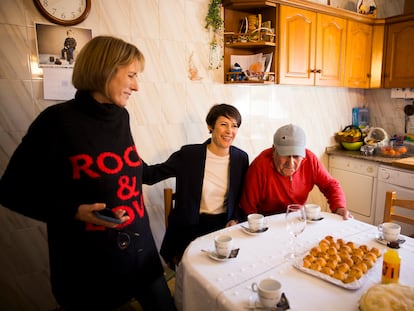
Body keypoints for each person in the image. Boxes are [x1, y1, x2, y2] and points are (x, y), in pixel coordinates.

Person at [0, 36, 175, 311]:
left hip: (140, 252)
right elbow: (11, 191)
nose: (136, 86)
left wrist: (180, 162)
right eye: (130, 75)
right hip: (89, 265)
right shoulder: (56, 122)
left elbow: (127, 168)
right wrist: (74, 211)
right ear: (105, 69)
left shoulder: (120, 116)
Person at [143, 104, 249, 268]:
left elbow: (241, 196)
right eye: (223, 124)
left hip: (223, 226)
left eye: (234, 126)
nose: (230, 131)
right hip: (190, 227)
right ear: (210, 126)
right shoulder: (189, 155)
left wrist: (235, 218)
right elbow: (150, 175)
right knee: (195, 269)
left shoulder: (240, 158)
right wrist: (126, 155)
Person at [240, 123, 352, 220]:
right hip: (267, 221)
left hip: (297, 218)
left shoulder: (310, 159)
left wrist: (339, 207)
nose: (291, 162)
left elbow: (330, 185)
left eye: (296, 156)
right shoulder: (259, 166)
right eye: (285, 155)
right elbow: (248, 209)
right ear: (274, 150)